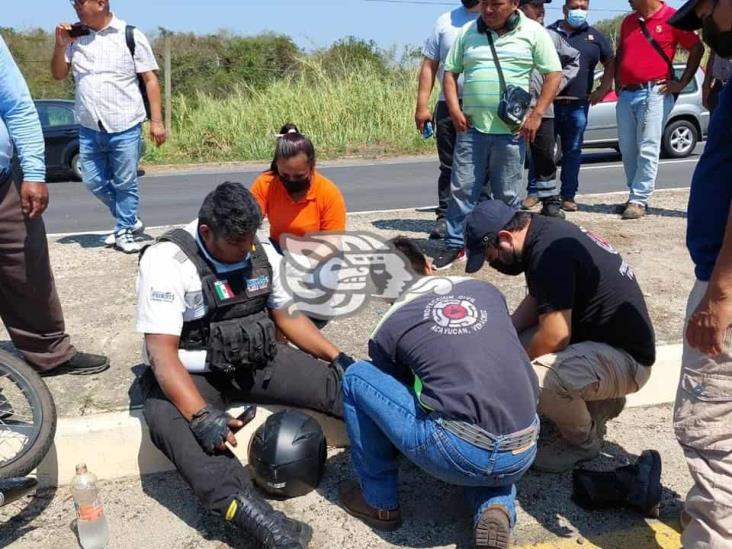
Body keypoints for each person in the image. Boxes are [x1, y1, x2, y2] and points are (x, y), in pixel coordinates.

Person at [137, 182, 354, 548]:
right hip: (193, 371)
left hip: (254, 358)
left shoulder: (260, 250)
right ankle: (264, 523)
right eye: (236, 244)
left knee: (344, 383)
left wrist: (338, 357)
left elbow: (287, 316)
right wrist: (202, 416)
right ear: (207, 232)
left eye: (250, 240)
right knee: (171, 425)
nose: (246, 251)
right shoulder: (165, 263)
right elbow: (161, 354)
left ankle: (407, 439)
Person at [338, 236, 539, 549]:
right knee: (485, 443)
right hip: (523, 446)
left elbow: (398, 391)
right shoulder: (486, 291)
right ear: (429, 266)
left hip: (462, 451)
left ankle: (379, 502)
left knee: (356, 377)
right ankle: (495, 508)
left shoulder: (388, 330)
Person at [463, 200, 656, 473]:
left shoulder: (549, 253)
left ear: (505, 237)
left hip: (627, 361)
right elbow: (540, 299)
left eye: (491, 257)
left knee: (539, 379)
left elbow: (555, 337)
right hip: (603, 344)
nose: (492, 266)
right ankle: (600, 403)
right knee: (517, 348)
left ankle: (582, 443)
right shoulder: (544, 233)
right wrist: (502, 336)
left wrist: (506, 369)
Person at [0, 36, 108, 377]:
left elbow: (16, 106)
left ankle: (50, 354)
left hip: (3, 183)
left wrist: (33, 171)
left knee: (28, 266)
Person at [668, 1, 732, 547]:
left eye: (707, 15)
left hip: (727, 285)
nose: (704, 32)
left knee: (708, 429)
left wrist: (721, 292)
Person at [434, 0, 562, 270]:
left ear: (515, 3)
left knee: (508, 194)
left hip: (511, 132)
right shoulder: (468, 32)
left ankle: (505, 245)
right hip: (471, 129)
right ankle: (456, 244)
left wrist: (537, 115)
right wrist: (455, 108)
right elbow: (450, 72)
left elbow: (553, 73)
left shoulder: (533, 32)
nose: (489, 10)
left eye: (497, 4)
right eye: (486, 4)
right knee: (462, 189)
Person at [51, 0, 167, 253]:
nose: (76, 7)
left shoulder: (130, 35)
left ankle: (124, 230)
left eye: (81, 2)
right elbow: (58, 74)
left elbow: (150, 79)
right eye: (74, 3)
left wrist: (157, 122)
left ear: (101, 3)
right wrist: (60, 46)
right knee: (93, 181)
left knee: (125, 182)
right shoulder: (76, 37)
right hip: (89, 126)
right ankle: (130, 219)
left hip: (125, 124)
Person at [614, 0, 703, 220]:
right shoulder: (628, 21)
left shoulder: (673, 17)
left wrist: (681, 83)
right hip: (627, 93)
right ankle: (634, 193)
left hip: (654, 91)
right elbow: (621, 51)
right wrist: (617, 80)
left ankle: (639, 199)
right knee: (627, 148)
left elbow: (697, 48)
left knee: (647, 146)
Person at [415, 0, 481, 240]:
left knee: (482, 165)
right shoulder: (444, 21)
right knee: (449, 165)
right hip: (447, 104)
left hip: (483, 106)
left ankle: (480, 217)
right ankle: (445, 217)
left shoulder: (496, 19)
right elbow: (429, 66)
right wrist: (422, 106)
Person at [545, 0, 615, 212]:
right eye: (575, 6)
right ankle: (537, 193)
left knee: (573, 152)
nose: (579, 11)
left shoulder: (595, 37)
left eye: (583, 7)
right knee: (543, 151)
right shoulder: (548, 33)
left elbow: (610, 62)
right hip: (549, 105)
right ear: (565, 9)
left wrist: (603, 89)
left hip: (578, 106)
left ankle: (568, 196)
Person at [518, 0, 580, 219]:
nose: (541, 10)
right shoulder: (504, 37)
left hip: (543, 109)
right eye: (534, 6)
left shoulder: (550, 36)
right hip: (511, 111)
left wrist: (555, 86)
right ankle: (501, 204)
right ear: (518, 7)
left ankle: (551, 202)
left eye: (541, 6)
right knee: (506, 158)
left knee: (545, 156)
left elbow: (574, 59)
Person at [250, 124, 346, 252]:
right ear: (276, 165)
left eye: (299, 176)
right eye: (284, 175)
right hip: (279, 249)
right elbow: (248, 223)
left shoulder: (328, 192)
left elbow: (332, 241)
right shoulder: (265, 184)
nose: (291, 180)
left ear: (312, 166)